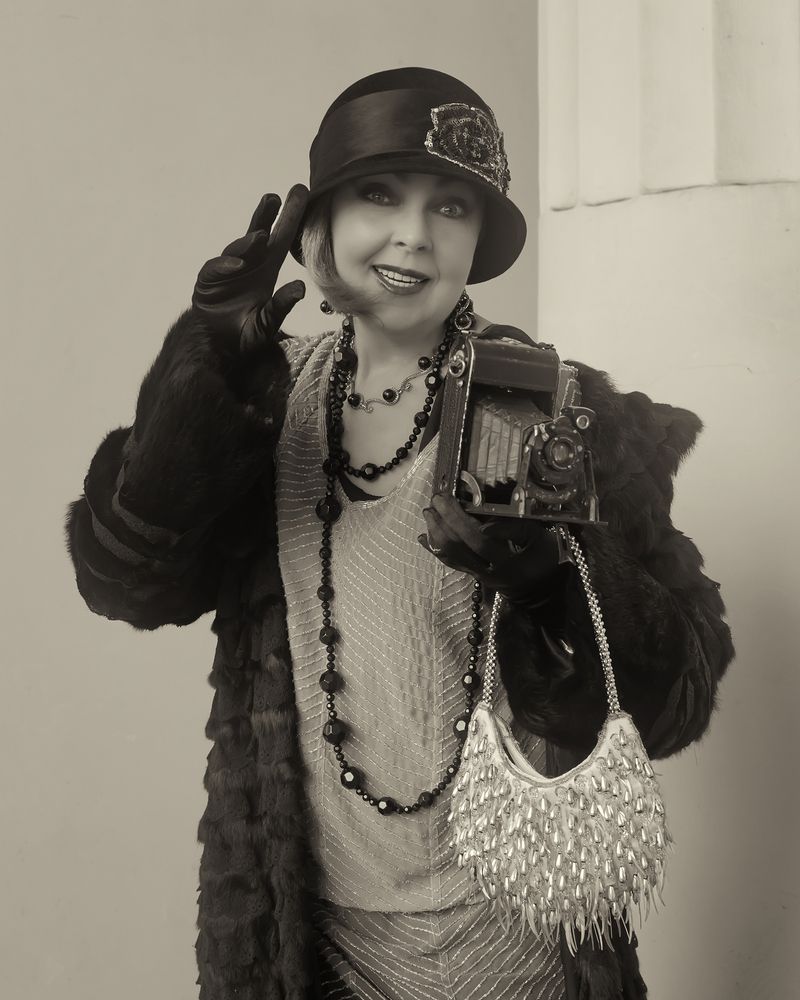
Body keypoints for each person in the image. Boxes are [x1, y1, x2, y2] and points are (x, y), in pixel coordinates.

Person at [64, 68, 734, 1000]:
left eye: (450, 206)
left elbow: (673, 701)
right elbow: (125, 580)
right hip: (317, 943)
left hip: (520, 942)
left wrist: (552, 586)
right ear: (319, 223)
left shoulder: (565, 414)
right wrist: (205, 364)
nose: (414, 234)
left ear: (479, 239)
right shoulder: (260, 405)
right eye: (379, 195)